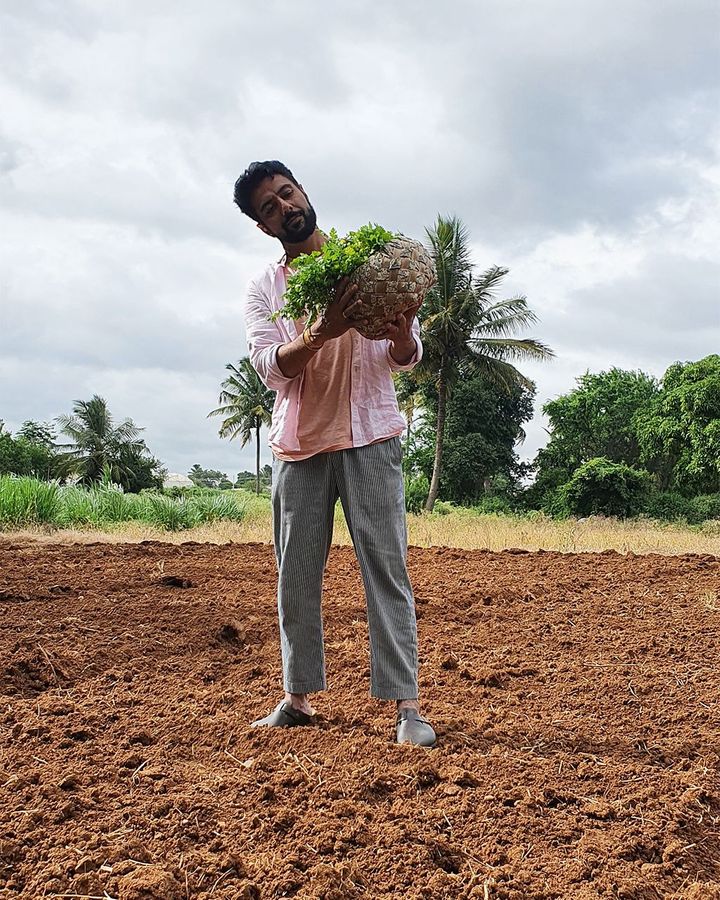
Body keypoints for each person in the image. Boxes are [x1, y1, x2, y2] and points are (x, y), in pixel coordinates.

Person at [233, 160, 435, 747]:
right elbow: (271, 368)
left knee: (386, 572)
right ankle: (296, 698)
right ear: (262, 226)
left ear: (303, 192)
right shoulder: (265, 289)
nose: (284, 208)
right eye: (269, 207)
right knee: (294, 577)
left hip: (371, 436)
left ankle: (408, 710)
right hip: (300, 446)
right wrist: (323, 329)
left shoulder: (367, 265)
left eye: (286, 194)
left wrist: (403, 336)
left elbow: (401, 355)